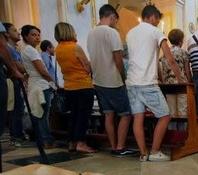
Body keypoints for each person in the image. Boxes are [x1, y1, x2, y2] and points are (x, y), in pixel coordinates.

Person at [126, 4, 182, 162]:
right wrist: (181, 79)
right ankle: (155, 151)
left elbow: (147, 58)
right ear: (151, 17)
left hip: (131, 83)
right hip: (147, 83)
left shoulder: (130, 33)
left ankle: (143, 154)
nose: (157, 22)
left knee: (138, 118)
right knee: (165, 115)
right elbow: (170, 58)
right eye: (157, 19)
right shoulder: (155, 31)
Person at [87, 4, 135, 157]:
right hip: (113, 80)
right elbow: (118, 59)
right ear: (112, 17)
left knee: (108, 115)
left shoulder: (91, 33)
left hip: (98, 80)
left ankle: (113, 145)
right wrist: (123, 76)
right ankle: (120, 147)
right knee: (125, 114)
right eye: (116, 20)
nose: (116, 23)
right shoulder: (111, 33)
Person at [55, 22, 96, 154]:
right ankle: (81, 143)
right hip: (83, 85)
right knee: (83, 116)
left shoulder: (58, 49)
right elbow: (87, 68)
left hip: (69, 87)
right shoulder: (75, 47)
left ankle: (72, 143)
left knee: (73, 116)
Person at [20, 25, 55, 148]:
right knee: (42, 115)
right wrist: (52, 83)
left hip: (35, 84)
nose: (37, 37)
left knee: (40, 114)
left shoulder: (26, 50)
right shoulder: (30, 50)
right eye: (33, 35)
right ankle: (46, 140)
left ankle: (44, 139)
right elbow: (42, 70)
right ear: (25, 36)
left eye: (38, 35)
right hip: (40, 85)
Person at [0, 22, 24, 154]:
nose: (18, 32)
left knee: (15, 108)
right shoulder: (7, 47)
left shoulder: (14, 48)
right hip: (8, 78)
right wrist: (15, 70)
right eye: (14, 30)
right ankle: (14, 136)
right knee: (12, 109)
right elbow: (1, 47)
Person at [159, 28, 191, 117]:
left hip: (168, 84)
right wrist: (190, 81)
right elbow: (187, 70)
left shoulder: (165, 53)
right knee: (183, 110)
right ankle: (182, 131)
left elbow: (162, 69)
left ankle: (173, 130)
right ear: (181, 40)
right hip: (181, 84)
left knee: (171, 111)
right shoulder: (183, 52)